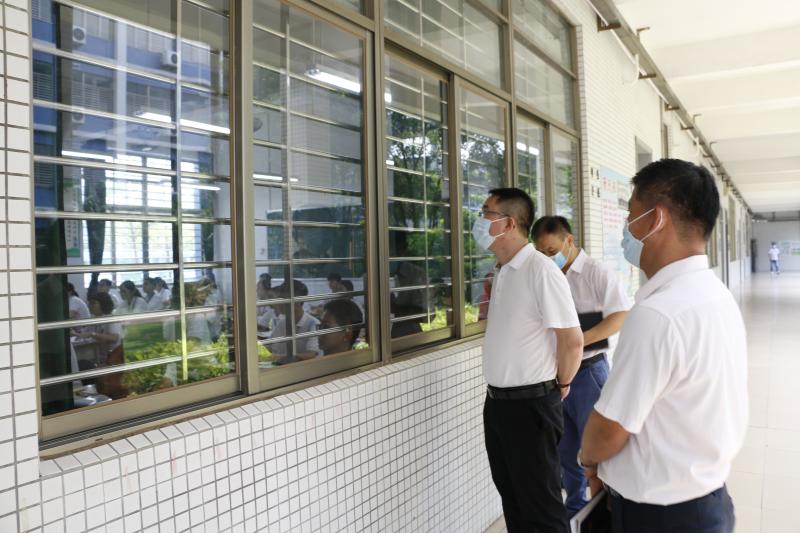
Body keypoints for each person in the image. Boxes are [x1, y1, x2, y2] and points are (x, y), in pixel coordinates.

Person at [579, 159, 746, 533]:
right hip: (709, 501)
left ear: (655, 219)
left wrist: (587, 460)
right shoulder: (716, 296)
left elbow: (609, 429)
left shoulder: (657, 313)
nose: (626, 228)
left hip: (660, 517)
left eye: (630, 215)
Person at [477, 188, 583, 532]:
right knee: (513, 499)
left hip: (532, 405)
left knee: (541, 508)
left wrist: (562, 384)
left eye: (486, 213)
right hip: (498, 405)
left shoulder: (540, 270)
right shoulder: (503, 270)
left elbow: (571, 340)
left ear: (508, 223)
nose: (479, 221)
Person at [532, 215, 631, 518]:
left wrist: (579, 340)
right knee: (566, 451)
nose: (547, 257)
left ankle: (606, 511)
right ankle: (575, 514)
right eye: (541, 253)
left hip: (590, 372)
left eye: (552, 251)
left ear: (569, 240)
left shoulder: (595, 272)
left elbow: (621, 315)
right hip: (559, 375)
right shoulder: (546, 275)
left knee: (598, 452)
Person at [270, 280, 321, 362]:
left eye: (283, 299)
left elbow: (312, 354)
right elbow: (269, 346)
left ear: (297, 302)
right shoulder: (282, 322)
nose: (278, 303)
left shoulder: (313, 324)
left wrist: (280, 357)